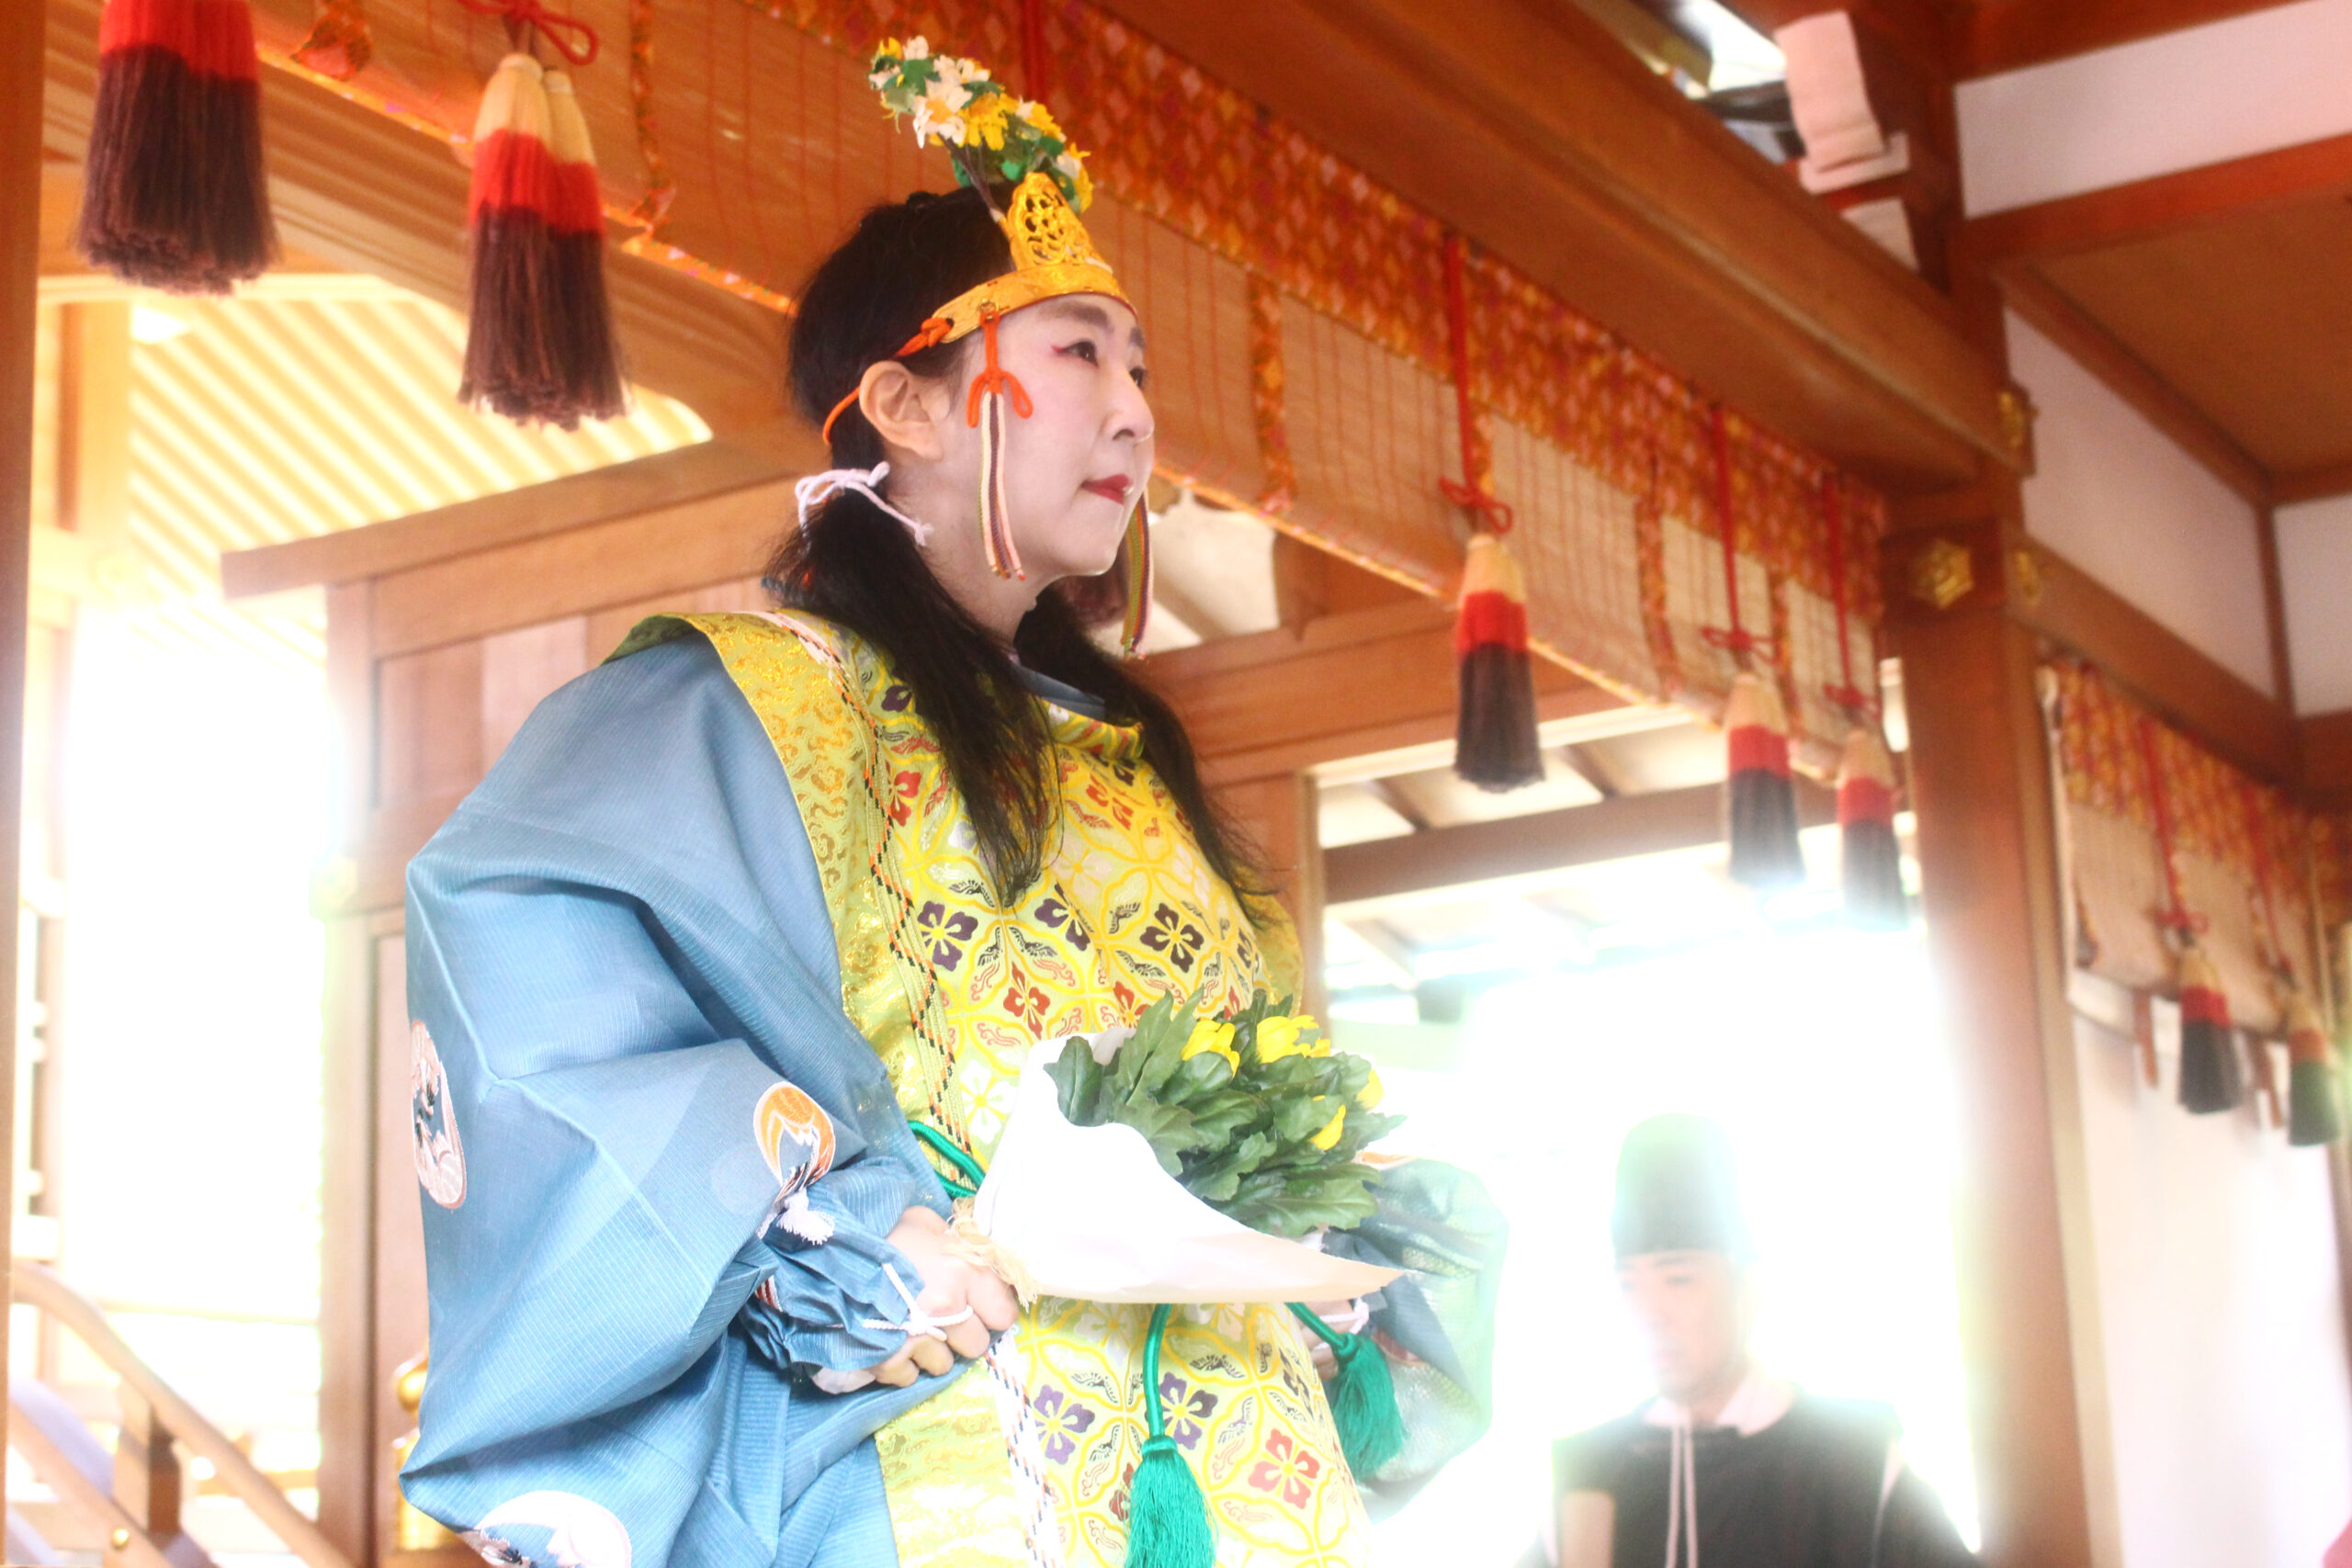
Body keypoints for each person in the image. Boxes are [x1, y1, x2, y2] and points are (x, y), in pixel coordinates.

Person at [397, 39, 1502, 1568]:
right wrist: (820, 1220)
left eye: (1139, 369)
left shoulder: (1130, 754)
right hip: (941, 1444)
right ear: (906, 406)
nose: (1133, 413)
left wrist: (1316, 1214)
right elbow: (532, 961)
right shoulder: (753, 706)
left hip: (1237, 1461)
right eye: (1078, 354)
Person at [1546, 1116, 1974, 1568]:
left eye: (1679, 1279)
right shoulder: (1593, 1471)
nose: (1649, 1314)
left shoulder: (1851, 1462)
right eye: (1628, 1285)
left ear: (1749, 1289)